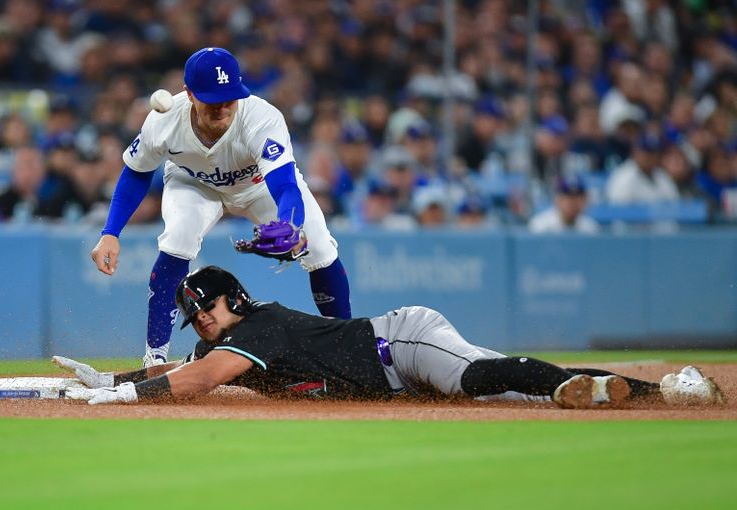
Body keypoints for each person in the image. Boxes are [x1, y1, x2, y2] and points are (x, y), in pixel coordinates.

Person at [57, 265, 724, 409]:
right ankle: (647, 391)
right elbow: (183, 367)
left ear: (232, 298)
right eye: (193, 316)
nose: (199, 320)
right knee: (512, 396)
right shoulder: (215, 343)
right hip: (401, 379)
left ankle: (657, 387)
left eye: (204, 308)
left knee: (474, 376)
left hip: (400, 343)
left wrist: (125, 399)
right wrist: (109, 379)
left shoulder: (255, 327)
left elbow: (196, 381)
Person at [89, 47, 352, 368]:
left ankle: (347, 349)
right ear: (189, 93)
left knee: (321, 248)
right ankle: (154, 359)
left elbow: (284, 183)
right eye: (212, 99)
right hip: (194, 182)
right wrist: (110, 232)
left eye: (229, 97)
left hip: (258, 187)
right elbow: (136, 172)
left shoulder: (261, 117)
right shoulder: (164, 121)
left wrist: (290, 224)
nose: (223, 106)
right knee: (178, 239)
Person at [528, 176, 600, 234]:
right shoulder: (540, 225)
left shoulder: (590, 228)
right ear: (557, 200)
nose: (573, 202)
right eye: (569, 197)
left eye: (577, 197)